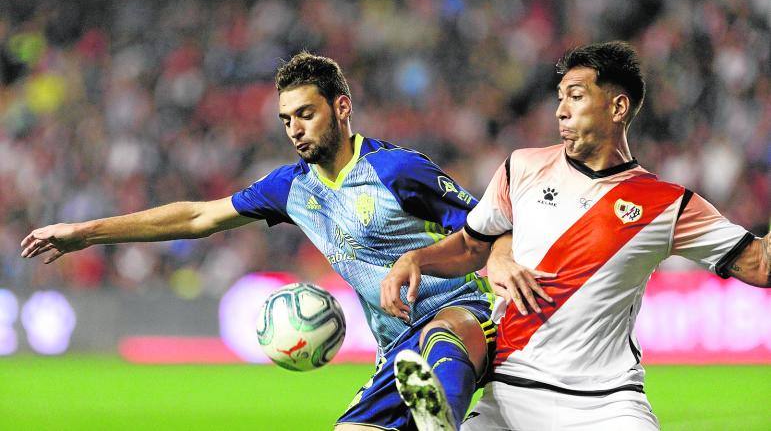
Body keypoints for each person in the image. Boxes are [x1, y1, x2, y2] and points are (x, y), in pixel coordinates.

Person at [20, 51, 549, 431]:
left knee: (443, 337)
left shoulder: (397, 169)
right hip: (396, 354)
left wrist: (500, 261)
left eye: (306, 113)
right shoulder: (290, 188)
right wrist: (87, 233)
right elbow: (199, 216)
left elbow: (488, 222)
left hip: (465, 319)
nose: (295, 128)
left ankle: (444, 421)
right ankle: (429, 411)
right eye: (286, 119)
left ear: (341, 108)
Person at [381, 41, 770, 430]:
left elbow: (761, 265)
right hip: (513, 391)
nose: (560, 110)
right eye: (560, 97)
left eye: (576, 96)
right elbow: (471, 245)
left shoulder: (668, 204)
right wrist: (416, 259)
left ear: (617, 108)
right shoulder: (522, 168)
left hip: (609, 403)